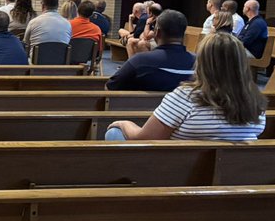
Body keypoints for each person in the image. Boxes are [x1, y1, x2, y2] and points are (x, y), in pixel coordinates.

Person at [106, 32, 266, 141]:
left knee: (115, 133)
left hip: (180, 176)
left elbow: (144, 138)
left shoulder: (185, 96)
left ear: (202, 62)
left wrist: (123, 123)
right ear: (241, 64)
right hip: (238, 178)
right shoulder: (254, 101)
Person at [105, 9, 195, 91]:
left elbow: (110, 87)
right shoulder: (199, 62)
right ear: (183, 34)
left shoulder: (140, 60)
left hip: (142, 108)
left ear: (157, 32)